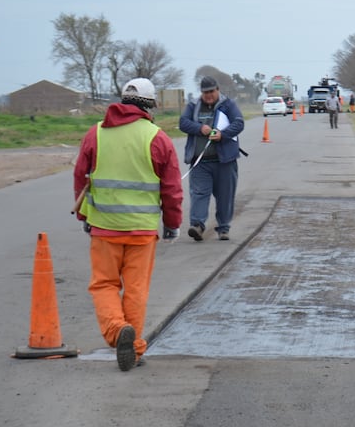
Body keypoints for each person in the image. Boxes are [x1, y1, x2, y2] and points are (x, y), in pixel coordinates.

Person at [74, 78, 183, 371]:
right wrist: (172, 224)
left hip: (104, 228)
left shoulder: (95, 133)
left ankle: (116, 331)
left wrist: (85, 215)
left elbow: (81, 176)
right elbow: (171, 188)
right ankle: (133, 350)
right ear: (151, 106)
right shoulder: (157, 138)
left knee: (104, 285)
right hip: (142, 231)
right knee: (136, 290)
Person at [179, 76, 245, 242]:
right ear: (201, 93)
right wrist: (200, 128)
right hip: (200, 162)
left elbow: (239, 123)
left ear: (218, 90)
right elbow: (183, 123)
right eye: (205, 92)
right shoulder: (193, 106)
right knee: (199, 194)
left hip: (225, 162)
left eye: (211, 91)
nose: (208, 95)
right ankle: (198, 225)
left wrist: (223, 134)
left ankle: (223, 228)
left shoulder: (228, 105)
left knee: (225, 196)